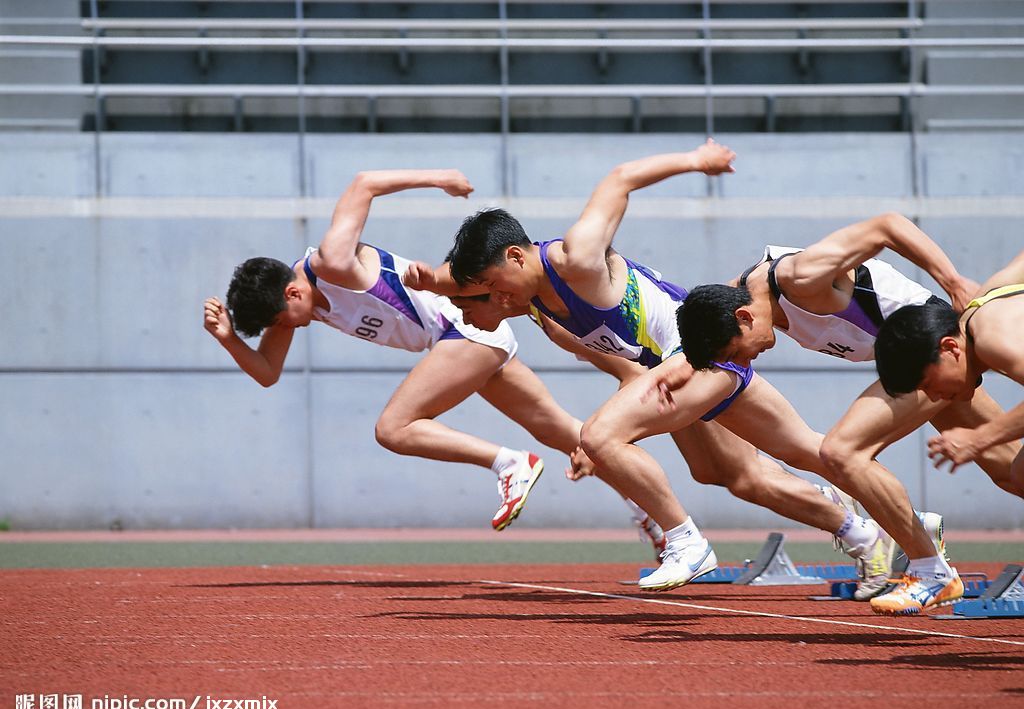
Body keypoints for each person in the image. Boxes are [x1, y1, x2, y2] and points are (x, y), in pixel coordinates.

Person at [416, 141, 908, 596]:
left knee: (602, 435)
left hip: (700, 353)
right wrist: (422, 279)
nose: (490, 298)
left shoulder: (577, 257)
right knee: (746, 473)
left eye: (489, 283)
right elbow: (624, 368)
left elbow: (621, 177)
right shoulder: (540, 309)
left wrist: (699, 159)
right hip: (677, 370)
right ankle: (878, 534)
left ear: (516, 256)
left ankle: (686, 544)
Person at [202, 168, 663, 548]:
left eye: (287, 318)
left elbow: (363, 183)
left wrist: (440, 178)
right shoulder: (292, 308)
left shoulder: (332, 261)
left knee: (393, 428)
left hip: (460, 328)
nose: (292, 328)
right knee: (570, 435)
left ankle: (508, 462)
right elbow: (266, 373)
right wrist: (228, 338)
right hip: (463, 343)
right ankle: (652, 517)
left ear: (292, 290)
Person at [676, 213, 1019, 615]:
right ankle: (918, 536)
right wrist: (668, 372)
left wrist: (953, 280)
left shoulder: (799, 277)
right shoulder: (738, 297)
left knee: (842, 451)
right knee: (1010, 469)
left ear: (745, 319)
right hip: (913, 366)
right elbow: (696, 346)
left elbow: (886, 226)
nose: (744, 361)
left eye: (736, 353)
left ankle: (930, 570)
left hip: (930, 352)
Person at [875, 249, 1024, 493]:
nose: (933, 397)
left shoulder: (992, 339)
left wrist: (979, 438)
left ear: (949, 347)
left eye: (926, 384)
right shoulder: (986, 299)